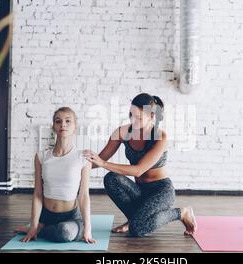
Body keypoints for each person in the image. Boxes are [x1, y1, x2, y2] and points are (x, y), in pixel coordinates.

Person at [84, 93, 197, 237]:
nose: (133, 120)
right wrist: (76, 166)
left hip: (161, 191)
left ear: (151, 117)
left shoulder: (160, 137)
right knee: (111, 178)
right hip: (139, 190)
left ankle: (181, 213)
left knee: (137, 229)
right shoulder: (122, 132)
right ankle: (134, 218)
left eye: (139, 117)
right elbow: (99, 159)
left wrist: (103, 163)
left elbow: (138, 170)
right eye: (131, 115)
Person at [14, 107, 96, 244]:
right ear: (54, 127)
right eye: (58, 121)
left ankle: (41, 230)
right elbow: (38, 194)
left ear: (75, 126)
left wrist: (88, 228)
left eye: (68, 121)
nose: (63, 124)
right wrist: (33, 225)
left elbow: (83, 195)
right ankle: (38, 227)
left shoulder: (83, 157)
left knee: (64, 232)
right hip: (46, 215)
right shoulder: (41, 156)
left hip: (70, 217)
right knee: (56, 231)